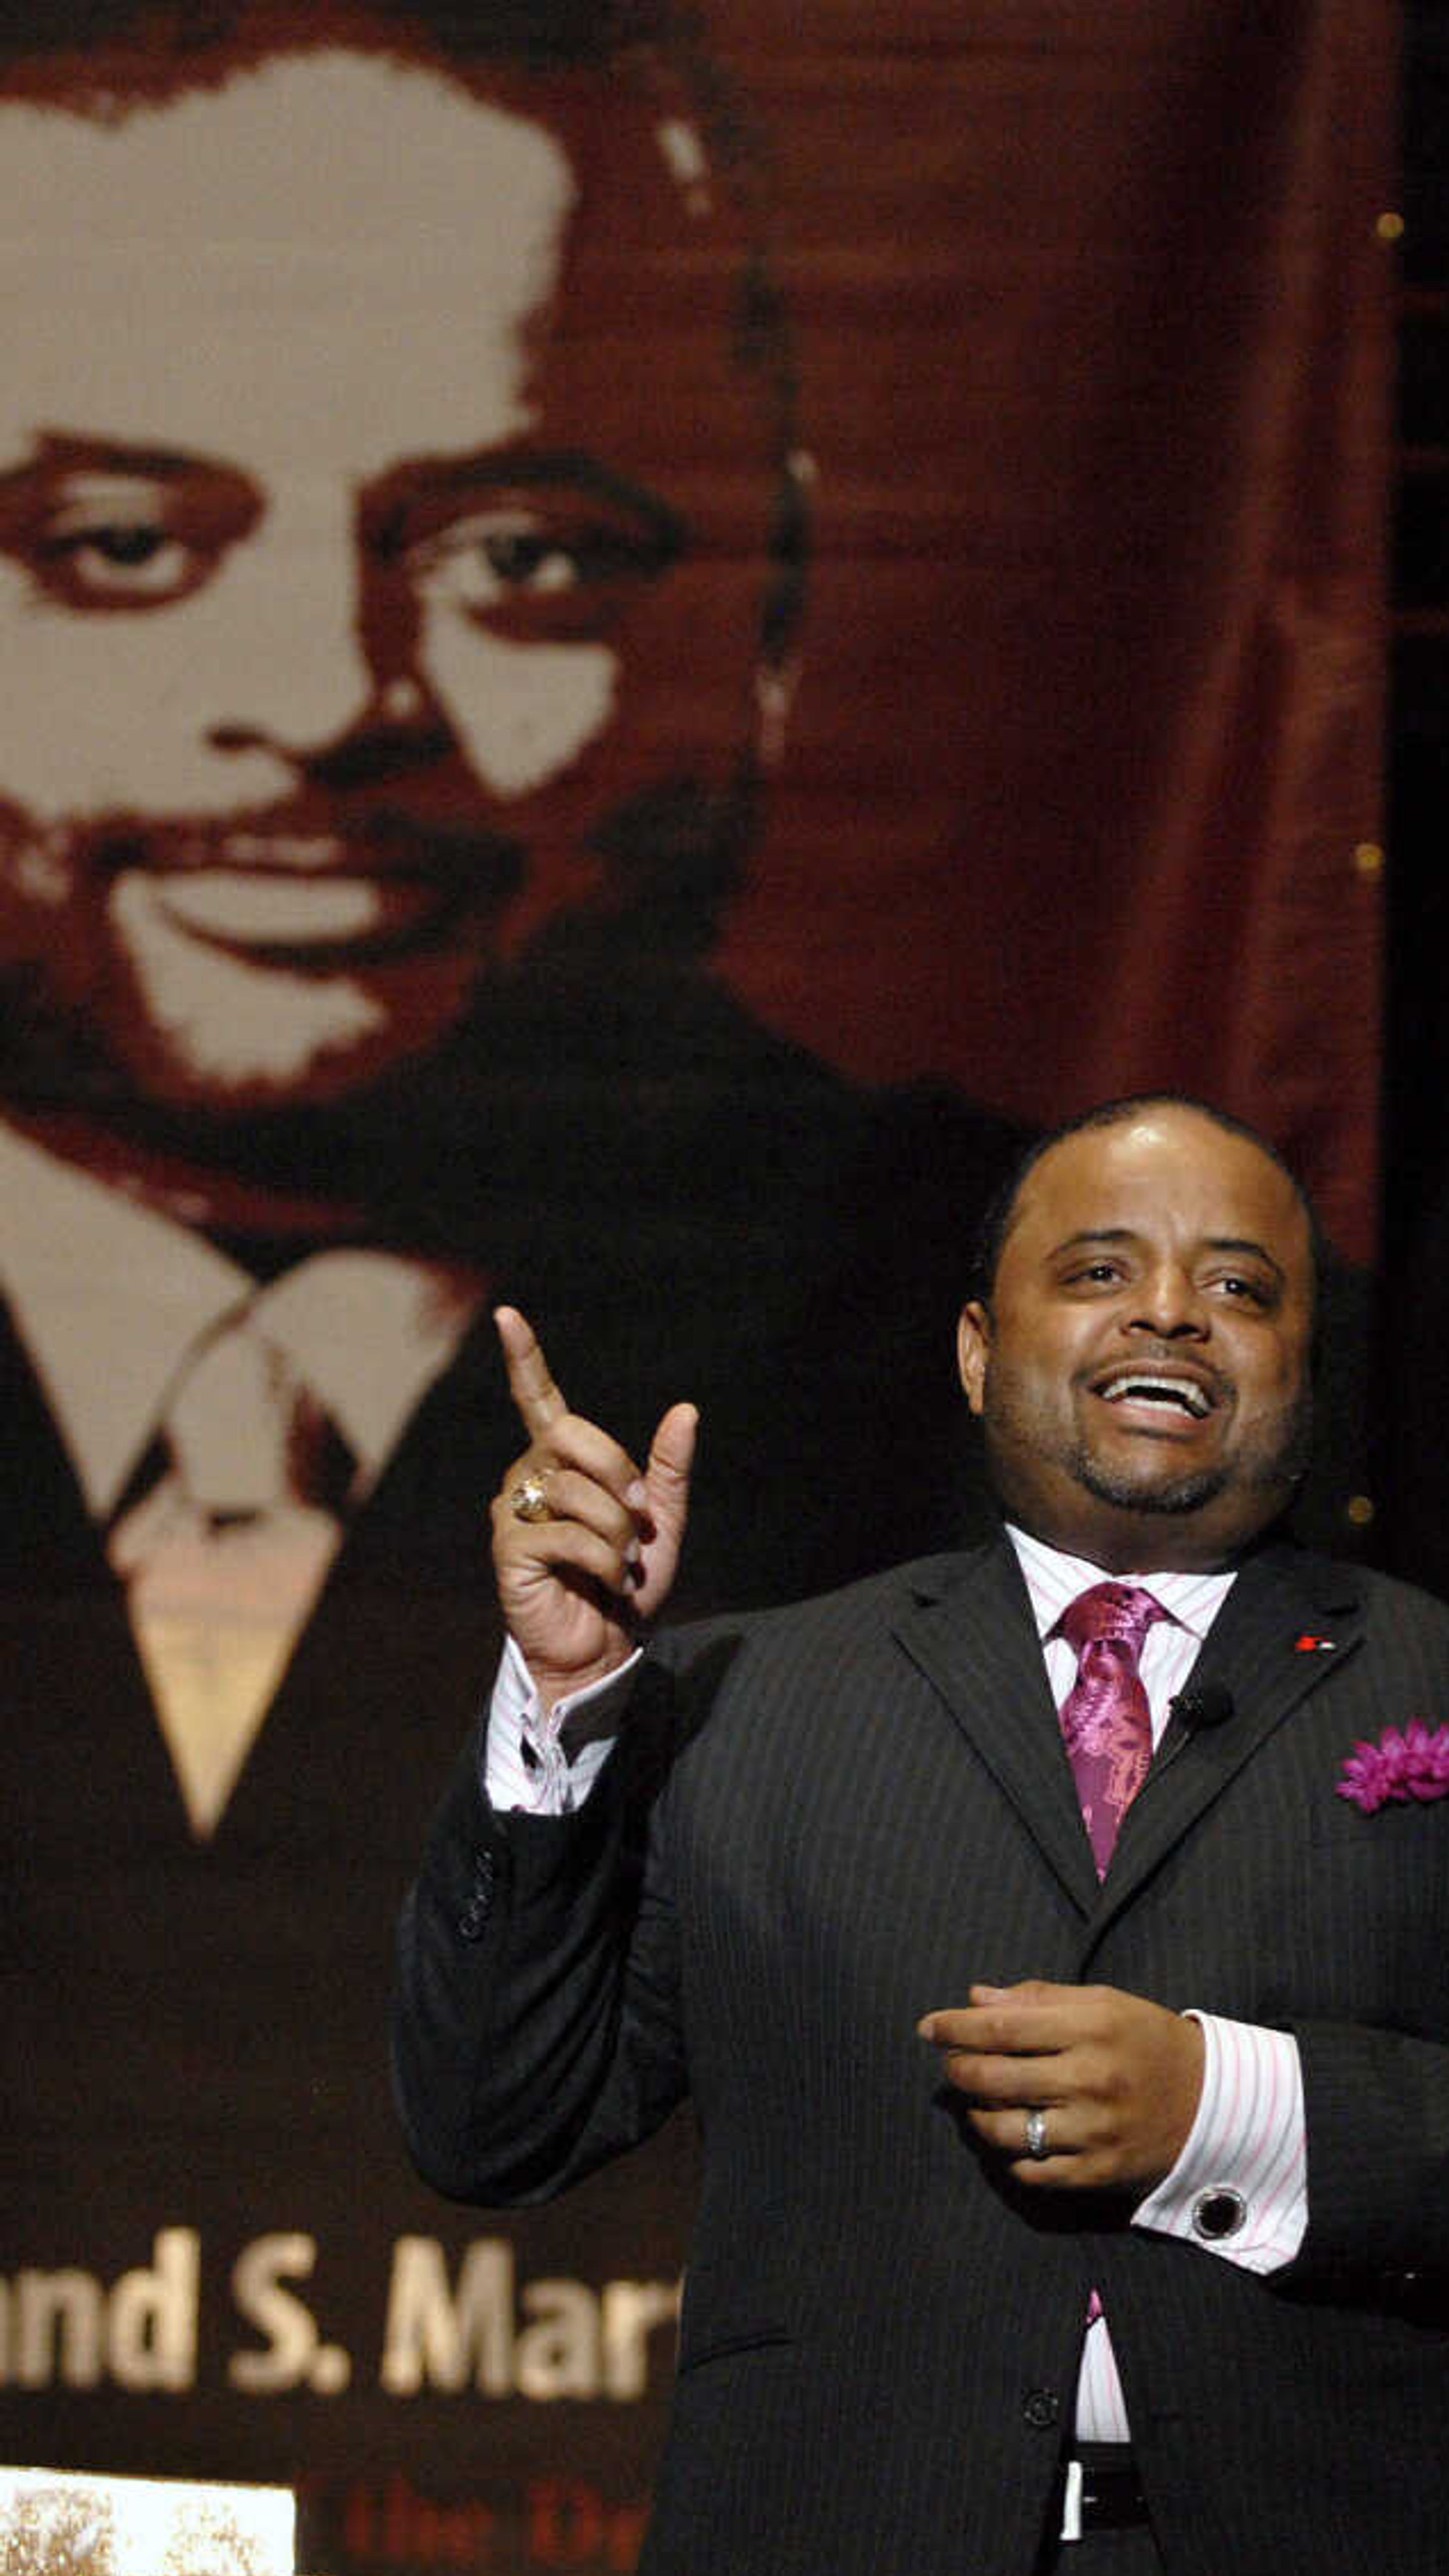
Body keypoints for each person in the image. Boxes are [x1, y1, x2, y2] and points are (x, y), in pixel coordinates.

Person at [394, 1092, 1449, 2576]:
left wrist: (1233, 2108)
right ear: (980, 1349)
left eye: (1244, 1286)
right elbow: (490, 2121)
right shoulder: (739, 1694)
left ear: (1305, 1369)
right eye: (1102, 1267)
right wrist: (563, 1707)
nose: (1174, 1310)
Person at [0, 0, 1006, 1841]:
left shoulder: (1005, 1354)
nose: (325, 695)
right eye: (119, 545)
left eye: (519, 557)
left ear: (771, 617)